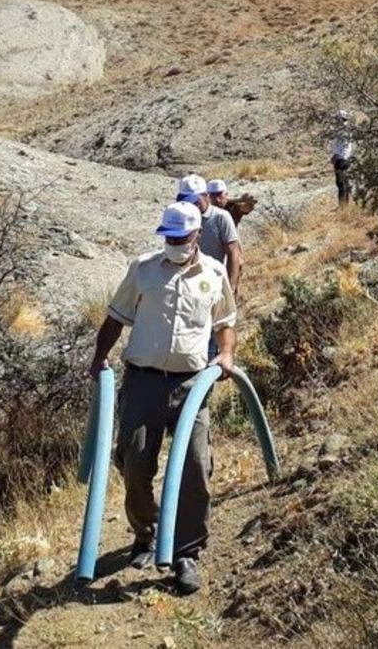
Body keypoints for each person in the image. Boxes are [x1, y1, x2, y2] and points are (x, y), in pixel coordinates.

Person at [89, 201, 237, 595]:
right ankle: (147, 532)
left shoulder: (214, 273)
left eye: (181, 237)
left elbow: (225, 323)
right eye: (168, 237)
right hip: (143, 381)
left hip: (192, 385)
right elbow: (115, 317)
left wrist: (225, 355)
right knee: (134, 461)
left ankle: (186, 552)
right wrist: (99, 357)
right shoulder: (143, 269)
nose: (174, 243)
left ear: (196, 237)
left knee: (194, 466)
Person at [176, 175, 242, 297]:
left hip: (211, 284)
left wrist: (230, 289)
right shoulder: (180, 216)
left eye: (195, 201)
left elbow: (233, 253)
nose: (190, 205)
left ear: (206, 196)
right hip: (183, 284)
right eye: (186, 201)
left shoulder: (221, 217)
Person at [330, 110, 355, 206]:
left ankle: (342, 207)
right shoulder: (347, 129)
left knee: (341, 183)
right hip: (346, 159)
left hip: (341, 159)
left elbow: (342, 145)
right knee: (345, 182)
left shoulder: (342, 130)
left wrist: (335, 155)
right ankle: (346, 204)